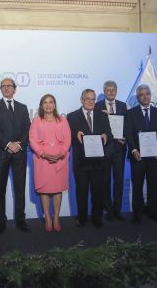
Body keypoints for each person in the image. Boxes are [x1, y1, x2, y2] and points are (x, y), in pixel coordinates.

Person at [0, 78, 31, 233]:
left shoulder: (23, 107)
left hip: (19, 153)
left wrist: (18, 145)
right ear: (0, 89)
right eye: (3, 86)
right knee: (0, 190)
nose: (6, 88)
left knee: (20, 188)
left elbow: (28, 129)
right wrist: (8, 144)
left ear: (15, 89)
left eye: (9, 86)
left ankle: (20, 220)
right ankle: (0, 222)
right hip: (1, 153)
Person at [67, 89, 112, 228]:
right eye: (87, 99)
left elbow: (109, 134)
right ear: (81, 100)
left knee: (97, 192)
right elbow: (67, 139)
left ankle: (97, 218)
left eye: (93, 99)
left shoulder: (102, 116)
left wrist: (106, 137)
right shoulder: (72, 116)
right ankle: (81, 218)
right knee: (81, 192)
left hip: (98, 162)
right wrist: (75, 135)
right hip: (81, 162)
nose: (90, 101)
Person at [29, 94, 71, 232]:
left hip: (60, 159)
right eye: (45, 102)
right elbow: (32, 140)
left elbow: (67, 139)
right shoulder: (36, 121)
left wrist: (61, 153)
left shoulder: (63, 120)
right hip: (42, 160)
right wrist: (43, 154)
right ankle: (47, 217)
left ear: (55, 105)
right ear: (41, 105)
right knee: (45, 190)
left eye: (51, 102)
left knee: (57, 189)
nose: (48, 105)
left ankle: (56, 217)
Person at [124, 84, 157, 223]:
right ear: (137, 97)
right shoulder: (130, 113)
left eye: (147, 93)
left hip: (155, 157)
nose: (145, 96)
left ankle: (154, 212)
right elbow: (128, 134)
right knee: (137, 186)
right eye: (141, 94)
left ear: (150, 95)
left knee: (153, 185)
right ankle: (138, 213)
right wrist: (134, 150)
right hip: (138, 157)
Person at [95, 81, 128, 221]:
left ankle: (117, 209)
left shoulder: (122, 105)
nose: (111, 92)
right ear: (104, 91)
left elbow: (127, 125)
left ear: (116, 91)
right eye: (108, 90)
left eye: (113, 89)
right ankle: (108, 210)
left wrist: (125, 137)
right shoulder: (97, 106)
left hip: (119, 148)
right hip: (105, 148)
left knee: (119, 180)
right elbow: (95, 126)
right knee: (105, 180)